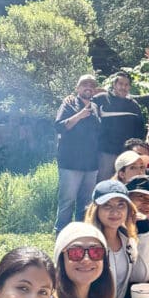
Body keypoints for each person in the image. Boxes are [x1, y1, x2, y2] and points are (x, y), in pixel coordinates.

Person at [84, 180, 149, 298]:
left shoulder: (126, 239)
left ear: (128, 209)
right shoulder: (88, 245)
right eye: (107, 205)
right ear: (96, 210)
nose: (115, 212)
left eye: (121, 205)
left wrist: (144, 233)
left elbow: (140, 277)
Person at [54, 75, 100, 234]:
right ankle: (62, 235)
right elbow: (59, 127)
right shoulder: (68, 104)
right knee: (67, 202)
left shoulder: (96, 107)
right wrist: (79, 115)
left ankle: (80, 235)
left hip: (91, 164)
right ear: (77, 88)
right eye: (84, 84)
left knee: (86, 203)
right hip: (70, 163)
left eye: (92, 85)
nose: (88, 87)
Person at [92, 71, 146, 180]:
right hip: (106, 152)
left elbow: (140, 130)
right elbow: (83, 102)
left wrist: (134, 151)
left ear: (129, 87)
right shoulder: (101, 99)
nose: (123, 87)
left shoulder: (134, 105)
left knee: (124, 182)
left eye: (126, 85)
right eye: (120, 84)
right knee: (104, 181)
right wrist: (71, 97)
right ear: (114, 85)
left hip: (126, 154)